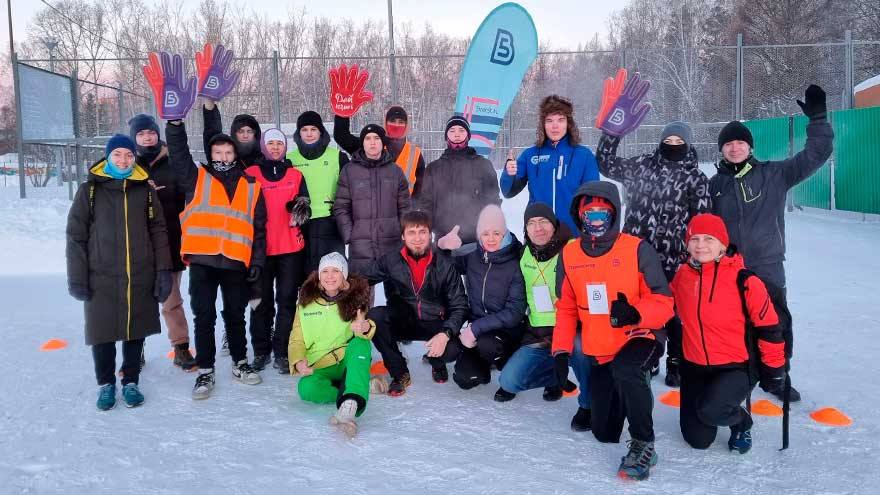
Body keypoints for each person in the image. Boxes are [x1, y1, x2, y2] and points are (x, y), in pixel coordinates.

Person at [711, 84, 834, 402]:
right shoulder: (713, 186)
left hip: (767, 265)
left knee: (775, 325)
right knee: (734, 326)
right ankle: (738, 377)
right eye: (729, 144)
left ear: (750, 147)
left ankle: (777, 377)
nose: (735, 148)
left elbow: (815, 155)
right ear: (721, 149)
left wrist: (818, 120)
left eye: (740, 143)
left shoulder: (774, 174)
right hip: (729, 268)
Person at [552, 181, 674, 481]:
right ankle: (629, 389)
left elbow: (664, 301)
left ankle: (644, 444)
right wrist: (560, 351)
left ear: (614, 214)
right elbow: (566, 309)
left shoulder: (637, 249)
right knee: (604, 432)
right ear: (579, 216)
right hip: (601, 345)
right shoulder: (569, 255)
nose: (596, 221)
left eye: (602, 214)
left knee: (628, 368)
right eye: (589, 214)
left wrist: (636, 313)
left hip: (641, 335)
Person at [596, 120, 711, 387]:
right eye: (668, 141)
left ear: (688, 144)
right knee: (639, 306)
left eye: (679, 142)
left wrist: (696, 258)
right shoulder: (642, 166)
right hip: (636, 255)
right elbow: (606, 163)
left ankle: (675, 358)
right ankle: (648, 352)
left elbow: (702, 222)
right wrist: (612, 134)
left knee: (675, 312)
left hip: (674, 258)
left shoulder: (696, 178)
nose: (673, 145)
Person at [66, 134, 173, 410]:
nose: (124, 160)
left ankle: (131, 381)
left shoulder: (145, 190)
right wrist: (77, 277)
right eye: (118, 155)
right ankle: (106, 384)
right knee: (102, 331)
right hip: (100, 274)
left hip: (139, 271)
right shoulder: (90, 191)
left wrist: (163, 269)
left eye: (128, 155)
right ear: (108, 156)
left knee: (135, 328)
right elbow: (76, 236)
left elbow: (158, 230)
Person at [165, 115, 267, 400]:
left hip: (235, 261)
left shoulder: (251, 185)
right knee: (204, 317)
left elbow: (259, 229)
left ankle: (240, 362)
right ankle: (206, 370)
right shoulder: (196, 177)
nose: (223, 157)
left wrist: (257, 262)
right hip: (203, 261)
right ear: (210, 155)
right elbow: (178, 153)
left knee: (235, 315)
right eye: (218, 152)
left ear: (235, 154)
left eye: (228, 152)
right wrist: (175, 125)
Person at [670, 214, 786, 454]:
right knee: (697, 440)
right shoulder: (683, 276)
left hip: (735, 367)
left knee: (712, 411)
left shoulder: (745, 281)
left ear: (723, 244)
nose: (701, 245)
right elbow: (664, 306)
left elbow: (770, 329)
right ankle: (716, 405)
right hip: (694, 366)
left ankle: (742, 423)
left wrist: (774, 370)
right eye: (695, 239)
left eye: (709, 239)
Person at [494, 203, 593, 430]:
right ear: (526, 229)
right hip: (539, 332)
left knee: (582, 353)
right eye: (531, 223)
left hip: (573, 328)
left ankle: (588, 404)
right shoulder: (523, 253)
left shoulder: (574, 249)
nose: (538, 228)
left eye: (543, 222)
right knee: (508, 381)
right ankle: (555, 377)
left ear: (554, 225)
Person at [364, 210, 469, 396]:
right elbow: (362, 279)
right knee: (375, 317)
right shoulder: (391, 260)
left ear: (430, 234)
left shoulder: (444, 263)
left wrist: (445, 334)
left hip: (436, 322)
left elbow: (460, 305)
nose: (418, 238)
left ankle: (437, 362)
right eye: (411, 232)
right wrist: (335, 281)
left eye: (422, 232)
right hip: (405, 320)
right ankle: (400, 373)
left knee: (452, 349)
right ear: (403, 236)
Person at [128, 113, 195, 371]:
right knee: (138, 301)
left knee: (171, 299)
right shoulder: (127, 164)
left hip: (170, 241)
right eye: (141, 134)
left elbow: (187, 196)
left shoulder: (173, 161)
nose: (147, 137)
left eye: (151, 132)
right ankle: (135, 351)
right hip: (138, 245)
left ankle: (181, 348)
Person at [244, 128, 310, 373]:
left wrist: (300, 209)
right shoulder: (251, 174)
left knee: (287, 301)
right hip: (260, 250)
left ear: (285, 147)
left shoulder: (295, 175)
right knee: (260, 303)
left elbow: (306, 208)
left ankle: (282, 352)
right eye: (270, 143)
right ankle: (261, 351)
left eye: (279, 144)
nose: (274, 147)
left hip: (290, 249)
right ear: (263, 146)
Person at [289, 253, 376, 438]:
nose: (330, 276)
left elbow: (365, 325)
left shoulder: (354, 298)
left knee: (361, 343)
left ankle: (351, 402)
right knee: (306, 389)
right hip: (321, 363)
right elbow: (296, 339)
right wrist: (298, 360)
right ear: (319, 275)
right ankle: (358, 386)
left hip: (347, 360)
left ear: (343, 275)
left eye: (336, 270)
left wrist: (365, 327)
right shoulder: (305, 304)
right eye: (325, 271)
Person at [202, 98, 263, 356]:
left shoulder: (263, 160)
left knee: (257, 289)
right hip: (229, 237)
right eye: (241, 131)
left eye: (250, 131)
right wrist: (210, 109)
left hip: (256, 230)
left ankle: (261, 332)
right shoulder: (227, 160)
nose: (245, 135)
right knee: (232, 295)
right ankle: (230, 333)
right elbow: (212, 136)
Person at [451, 204, 527, 390]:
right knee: (464, 378)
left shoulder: (516, 262)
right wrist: (442, 248)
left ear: (504, 232)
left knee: (488, 345)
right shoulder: (473, 257)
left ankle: (508, 365)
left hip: (507, 331)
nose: (491, 239)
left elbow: (514, 312)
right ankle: (484, 365)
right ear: (479, 234)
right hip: (479, 327)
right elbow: (443, 266)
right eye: (485, 233)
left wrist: (475, 329)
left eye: (496, 233)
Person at [500, 95, 599, 234]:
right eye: (549, 120)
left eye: (560, 120)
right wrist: (509, 174)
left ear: (568, 123)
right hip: (538, 235)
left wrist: (590, 232)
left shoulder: (584, 155)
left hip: (573, 235)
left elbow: (593, 198)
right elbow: (508, 191)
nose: (555, 126)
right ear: (543, 124)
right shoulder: (530, 155)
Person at [332, 124, 411, 275]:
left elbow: (405, 206)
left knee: (396, 287)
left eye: (376, 138)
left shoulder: (395, 171)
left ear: (383, 142)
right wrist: (350, 234)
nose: (372, 142)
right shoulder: (349, 171)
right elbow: (341, 206)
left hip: (392, 244)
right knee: (362, 289)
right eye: (368, 139)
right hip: (361, 248)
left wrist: (403, 231)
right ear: (362, 143)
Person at [416, 116, 501, 251]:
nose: (457, 135)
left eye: (461, 130)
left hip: (477, 242)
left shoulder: (483, 165)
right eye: (452, 131)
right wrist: (428, 234)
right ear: (446, 136)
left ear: (468, 135)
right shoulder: (433, 168)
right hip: (443, 241)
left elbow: (493, 202)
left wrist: (490, 232)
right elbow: (426, 204)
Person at [286, 110, 350, 273]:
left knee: (332, 274)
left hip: (330, 224)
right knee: (305, 275)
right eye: (304, 129)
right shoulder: (289, 159)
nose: (309, 134)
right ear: (298, 133)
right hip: (302, 225)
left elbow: (349, 191)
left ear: (321, 132)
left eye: (313, 129)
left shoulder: (338, 157)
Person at [334, 105, 424, 197]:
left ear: (407, 125)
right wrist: (343, 109)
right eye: (392, 121)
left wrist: (413, 205)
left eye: (401, 122)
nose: (396, 125)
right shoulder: (372, 145)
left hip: (404, 205)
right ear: (385, 123)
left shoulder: (415, 154)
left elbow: (421, 190)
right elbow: (342, 136)